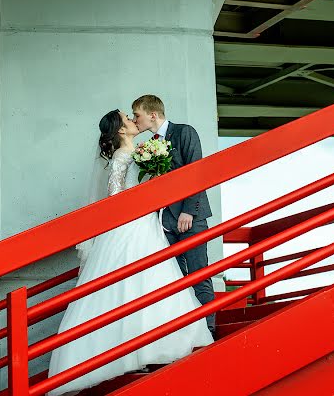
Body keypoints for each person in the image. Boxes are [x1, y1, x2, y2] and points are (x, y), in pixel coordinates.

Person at [47, 110, 213, 395]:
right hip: (133, 227)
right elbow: (116, 198)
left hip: (148, 224)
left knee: (150, 282)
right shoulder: (124, 156)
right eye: (128, 119)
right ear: (121, 131)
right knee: (135, 282)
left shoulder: (137, 152)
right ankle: (135, 350)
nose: (133, 121)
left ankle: (148, 346)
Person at [132, 95, 216, 337]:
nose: (135, 120)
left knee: (199, 274)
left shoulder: (184, 133)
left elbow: (196, 172)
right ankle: (185, 332)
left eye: (137, 115)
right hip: (165, 222)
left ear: (153, 115)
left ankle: (208, 329)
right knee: (175, 279)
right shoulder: (148, 146)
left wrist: (189, 210)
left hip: (192, 217)